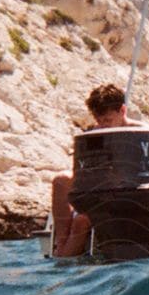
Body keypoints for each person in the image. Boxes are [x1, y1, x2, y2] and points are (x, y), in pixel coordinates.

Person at [50, 82, 129, 257]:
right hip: (98, 186)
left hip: (126, 191)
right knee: (61, 180)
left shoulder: (140, 131)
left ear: (122, 111)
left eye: (107, 120)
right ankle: (60, 244)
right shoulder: (94, 134)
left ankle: (61, 261)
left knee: (81, 221)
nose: (103, 125)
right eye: (99, 121)